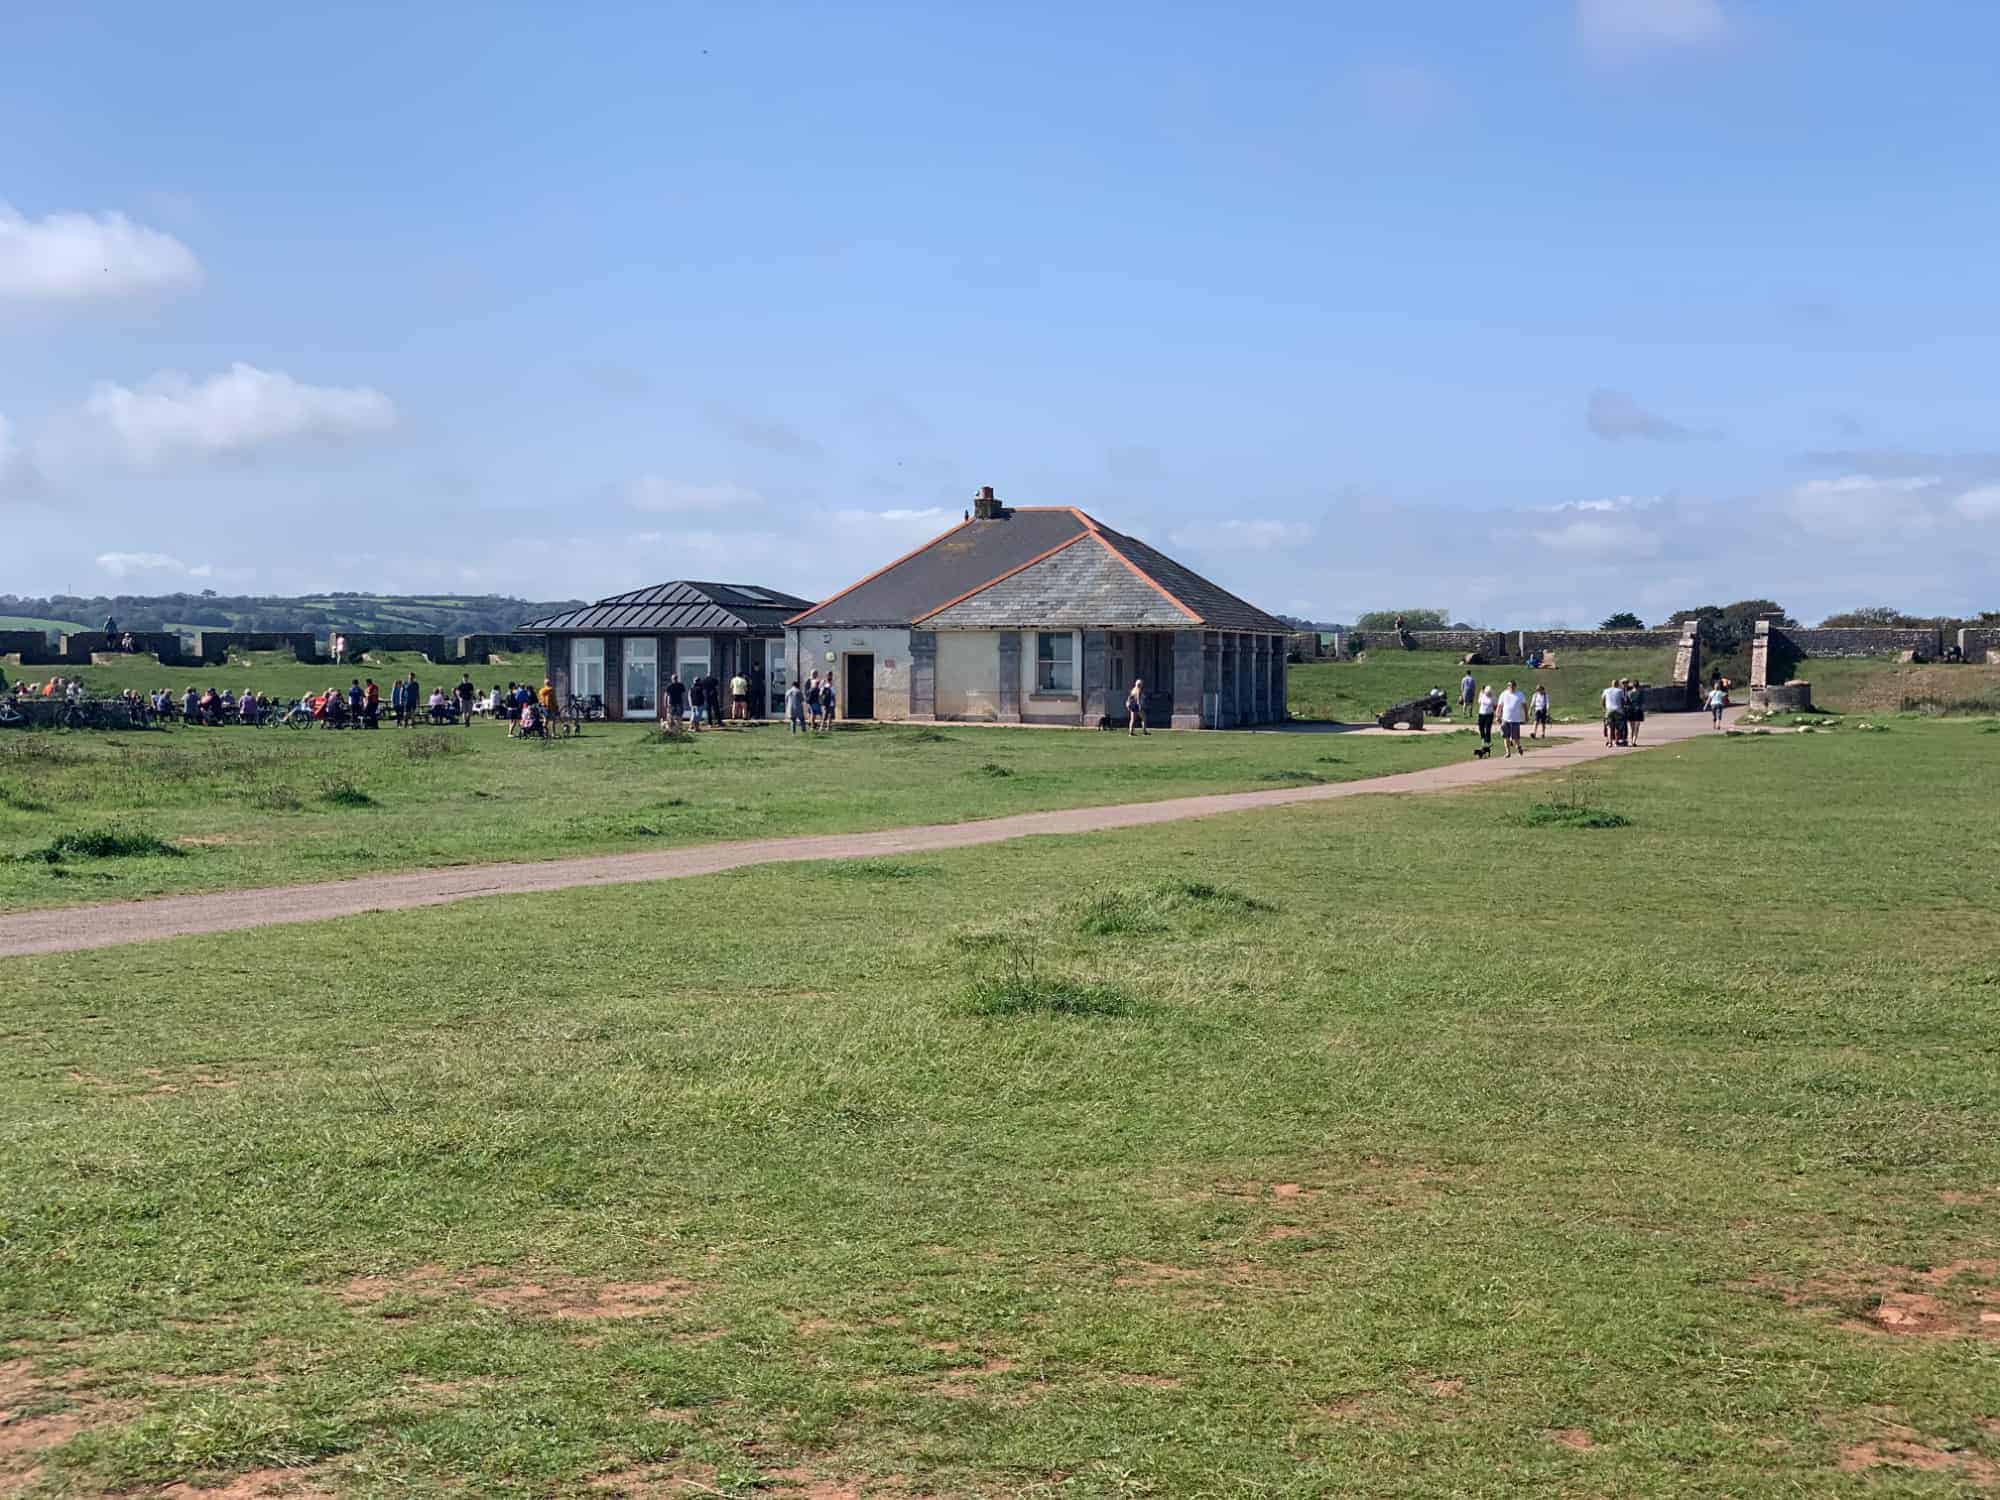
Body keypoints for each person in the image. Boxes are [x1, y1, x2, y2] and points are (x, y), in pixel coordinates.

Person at [1497, 679, 1528, 758]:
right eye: (1509, 686)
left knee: (1515, 737)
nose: (1511, 687)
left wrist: (1526, 716)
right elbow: (1499, 706)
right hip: (1505, 719)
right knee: (1506, 737)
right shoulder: (1503, 694)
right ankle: (1508, 752)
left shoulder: (1520, 694)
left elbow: (1525, 706)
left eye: (1512, 686)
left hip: (1515, 720)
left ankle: (1518, 747)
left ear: (1515, 686)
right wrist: (1497, 716)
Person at [1601, 678, 1626, 746]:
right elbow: (1623, 701)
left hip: (1609, 710)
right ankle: (1616, 742)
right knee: (1617, 727)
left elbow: (1603, 700)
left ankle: (1610, 742)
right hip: (1618, 710)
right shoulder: (1620, 691)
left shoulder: (1606, 690)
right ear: (1617, 684)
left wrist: (1604, 708)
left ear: (1611, 684)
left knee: (1609, 727)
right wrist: (1622, 708)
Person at [1475, 682, 1496, 752]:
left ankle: (1488, 742)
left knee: (1487, 728)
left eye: (1489, 693)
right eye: (1487, 693)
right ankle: (1483, 740)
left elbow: (1495, 706)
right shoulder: (1482, 695)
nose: (1488, 694)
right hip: (1481, 714)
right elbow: (1479, 702)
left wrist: (1496, 714)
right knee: (1481, 727)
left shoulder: (1493, 697)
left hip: (1489, 714)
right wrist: (1481, 693)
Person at [1624, 679, 1644, 744]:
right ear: (1638, 686)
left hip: (1630, 710)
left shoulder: (1629, 693)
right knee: (1636, 727)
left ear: (1633, 686)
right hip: (1638, 710)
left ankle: (1631, 740)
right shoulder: (1640, 692)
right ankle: (1634, 741)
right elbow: (1642, 702)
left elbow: (1626, 702)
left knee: (1632, 728)